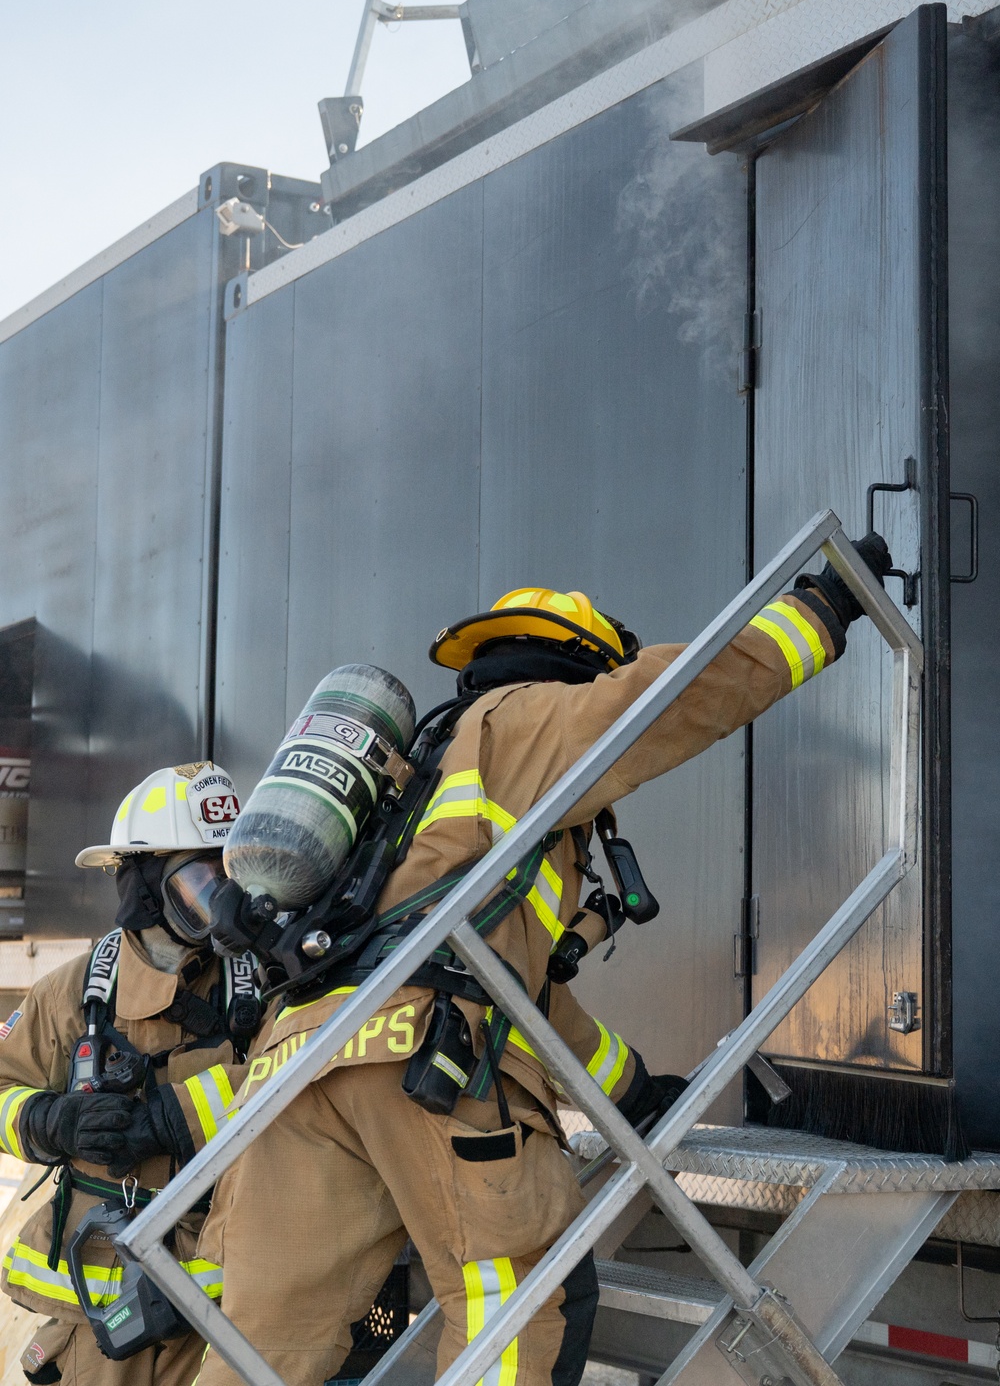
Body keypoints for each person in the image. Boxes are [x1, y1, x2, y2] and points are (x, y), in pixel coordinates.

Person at [196, 535, 891, 1386]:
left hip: (300, 1067)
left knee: (264, 1345)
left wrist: (631, 1092)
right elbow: (681, 694)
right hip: (419, 1063)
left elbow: (509, 992)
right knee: (517, 1307)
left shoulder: (415, 779)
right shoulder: (526, 720)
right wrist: (824, 609)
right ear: (580, 666)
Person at [0, 762, 261, 1386]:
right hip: (99, 1313)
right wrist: (50, 1121)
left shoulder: (266, 984)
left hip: (227, 1309)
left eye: (232, 878)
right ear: (144, 887)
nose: (222, 904)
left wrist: (174, 1119)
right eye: (201, 881)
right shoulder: (71, 994)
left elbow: (306, 1085)